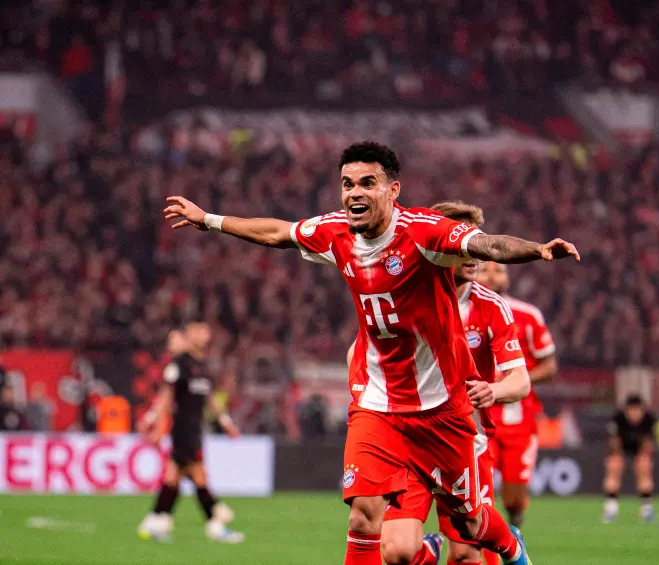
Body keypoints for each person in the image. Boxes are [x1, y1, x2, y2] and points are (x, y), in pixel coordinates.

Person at [164, 140, 579, 565]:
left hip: (440, 408)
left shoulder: (423, 232)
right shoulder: (336, 232)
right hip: (378, 405)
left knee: (470, 525)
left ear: (393, 190)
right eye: (347, 184)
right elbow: (277, 232)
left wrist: (537, 249)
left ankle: (510, 546)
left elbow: (489, 246)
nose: (354, 193)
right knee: (364, 518)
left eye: (367, 183)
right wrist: (210, 220)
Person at [377, 201, 531, 565]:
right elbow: (361, 350)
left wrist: (493, 390)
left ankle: (506, 543)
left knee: (465, 552)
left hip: (465, 439)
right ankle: (429, 549)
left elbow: (521, 381)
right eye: (464, 242)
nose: (474, 253)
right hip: (410, 436)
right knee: (397, 552)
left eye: (476, 241)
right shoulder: (404, 293)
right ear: (439, 245)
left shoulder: (491, 307)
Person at [137, 323, 244, 543]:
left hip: (196, 429)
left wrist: (225, 421)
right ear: (188, 337)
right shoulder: (179, 365)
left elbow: (210, 398)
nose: (204, 335)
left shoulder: (204, 366)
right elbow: (166, 396)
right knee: (198, 474)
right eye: (198, 332)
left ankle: (155, 519)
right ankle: (215, 518)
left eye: (205, 332)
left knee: (173, 477)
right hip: (183, 429)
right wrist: (154, 421)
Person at [478, 262, 558, 528]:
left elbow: (549, 365)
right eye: (485, 270)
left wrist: (514, 381)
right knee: (478, 491)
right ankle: (482, 544)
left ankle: (513, 535)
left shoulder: (527, 315)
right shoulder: (459, 310)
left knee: (513, 500)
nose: (491, 276)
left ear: (508, 279)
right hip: (477, 415)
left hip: (518, 417)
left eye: (498, 271)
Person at [603, 394, 657, 523]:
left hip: (639, 448)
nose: (635, 414)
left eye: (637, 410)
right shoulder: (618, 419)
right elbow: (614, 443)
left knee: (644, 466)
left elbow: (647, 443)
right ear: (626, 410)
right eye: (632, 410)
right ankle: (611, 510)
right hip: (620, 447)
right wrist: (620, 457)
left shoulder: (649, 419)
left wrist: (641, 458)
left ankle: (647, 510)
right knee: (614, 466)